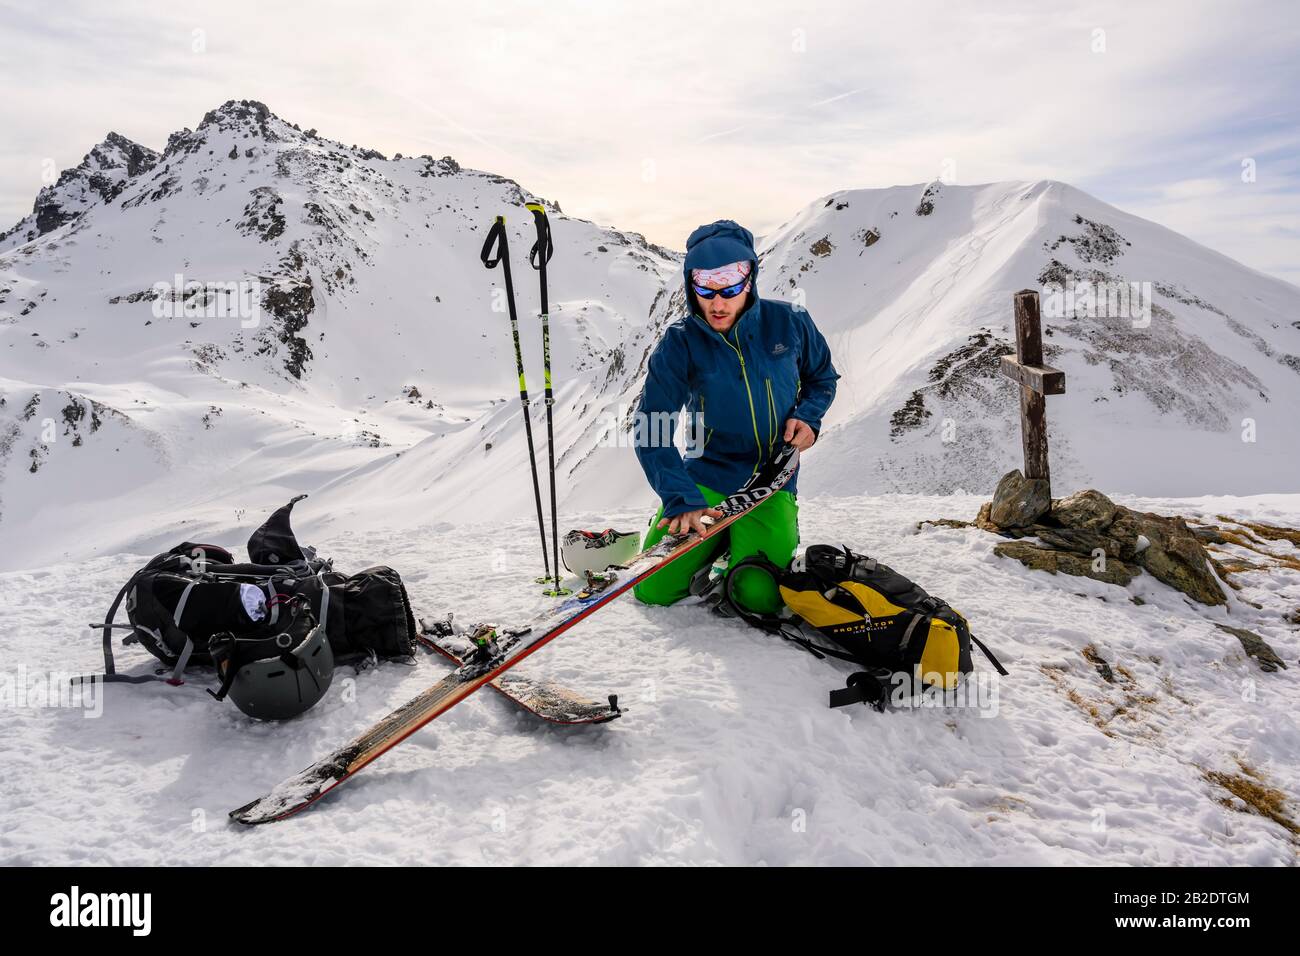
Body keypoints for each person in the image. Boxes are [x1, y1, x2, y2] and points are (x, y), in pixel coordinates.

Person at [632, 220, 839, 614]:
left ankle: (741, 542)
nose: (718, 304)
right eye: (705, 291)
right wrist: (680, 498)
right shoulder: (680, 343)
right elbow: (651, 425)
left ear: (750, 280)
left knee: (757, 597)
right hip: (708, 476)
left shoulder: (790, 321)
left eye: (729, 289)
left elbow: (822, 377)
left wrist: (809, 417)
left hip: (770, 478)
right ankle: (716, 539)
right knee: (653, 589)